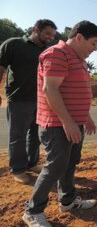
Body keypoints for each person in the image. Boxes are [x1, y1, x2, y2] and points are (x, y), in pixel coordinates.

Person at [22, 21, 97, 227]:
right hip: (57, 125)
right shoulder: (57, 54)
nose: (95, 49)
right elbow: (51, 90)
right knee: (56, 166)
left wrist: (86, 117)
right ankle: (33, 211)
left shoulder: (79, 59)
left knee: (70, 163)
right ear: (79, 38)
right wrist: (68, 123)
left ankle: (67, 201)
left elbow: (76, 91)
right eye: (93, 43)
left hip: (74, 123)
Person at [0, 19, 57, 184]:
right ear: (36, 29)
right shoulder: (14, 44)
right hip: (19, 99)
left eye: (52, 36)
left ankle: (32, 164)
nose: (50, 38)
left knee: (35, 135)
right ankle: (18, 169)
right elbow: (1, 68)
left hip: (41, 100)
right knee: (17, 136)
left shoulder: (48, 50)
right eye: (47, 34)